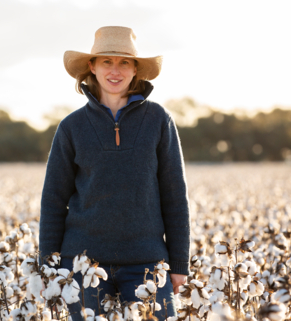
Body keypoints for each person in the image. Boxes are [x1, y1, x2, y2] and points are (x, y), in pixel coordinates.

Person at [39, 26, 190, 321]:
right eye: (107, 61)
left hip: (148, 264)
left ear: (136, 70)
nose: (115, 70)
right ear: (92, 67)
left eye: (124, 62)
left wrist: (179, 264)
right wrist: (48, 265)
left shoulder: (159, 120)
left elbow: (175, 196)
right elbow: (53, 200)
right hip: (81, 264)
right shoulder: (71, 127)